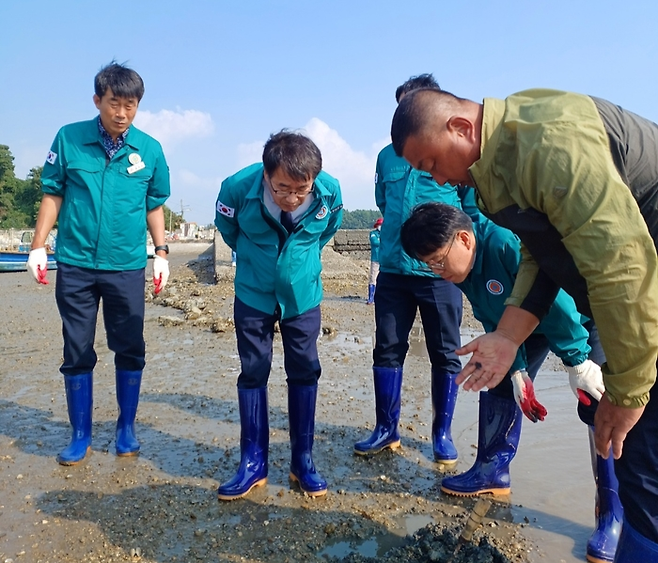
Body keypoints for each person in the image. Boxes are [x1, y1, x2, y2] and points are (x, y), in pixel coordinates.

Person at [391, 87, 658, 560]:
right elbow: (544, 251)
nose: (436, 178)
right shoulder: (502, 166)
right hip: (613, 297)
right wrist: (508, 338)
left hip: (631, 296)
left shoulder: (548, 144)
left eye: (431, 163)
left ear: (460, 127)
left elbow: (624, 266)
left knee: (637, 451)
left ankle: (614, 519)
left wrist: (628, 389)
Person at [401, 202, 621, 563]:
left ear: (464, 239)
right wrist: (516, 370)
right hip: (523, 324)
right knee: (496, 375)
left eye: (439, 260)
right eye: (428, 265)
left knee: (598, 402)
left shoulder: (503, 242)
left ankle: (611, 511)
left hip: (582, 314)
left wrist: (577, 360)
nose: (437, 272)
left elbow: (559, 303)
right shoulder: (462, 272)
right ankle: (492, 470)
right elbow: (493, 320)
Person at [26, 61, 171, 466]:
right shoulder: (69, 139)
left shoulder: (150, 150)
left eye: (130, 105)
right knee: (76, 349)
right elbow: (52, 194)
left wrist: (160, 253)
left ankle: (126, 428)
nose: (121, 113)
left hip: (126, 266)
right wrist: (38, 246)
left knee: (129, 346)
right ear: (97, 100)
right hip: (75, 264)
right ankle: (80, 434)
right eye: (114, 103)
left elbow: (154, 205)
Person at [214, 130, 343, 500]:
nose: (291, 198)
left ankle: (303, 460)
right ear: (266, 174)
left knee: (304, 368)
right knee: (253, 370)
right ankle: (253, 462)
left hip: (302, 294)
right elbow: (229, 230)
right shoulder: (237, 189)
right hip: (254, 292)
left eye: (301, 190)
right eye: (282, 188)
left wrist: (297, 262)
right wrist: (260, 259)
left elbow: (327, 230)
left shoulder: (329, 192)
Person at [354, 74, 467, 465]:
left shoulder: (453, 153)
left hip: (440, 274)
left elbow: (471, 208)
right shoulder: (387, 156)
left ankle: (442, 434)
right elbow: (384, 202)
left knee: (445, 353)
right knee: (386, 350)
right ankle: (386, 429)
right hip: (394, 272)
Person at [366, 217, 382, 304]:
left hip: (383, 259)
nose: (380, 226)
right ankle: (371, 297)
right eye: (379, 225)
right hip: (375, 259)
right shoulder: (373, 233)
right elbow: (375, 242)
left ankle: (379, 297)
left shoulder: (385, 234)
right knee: (373, 277)